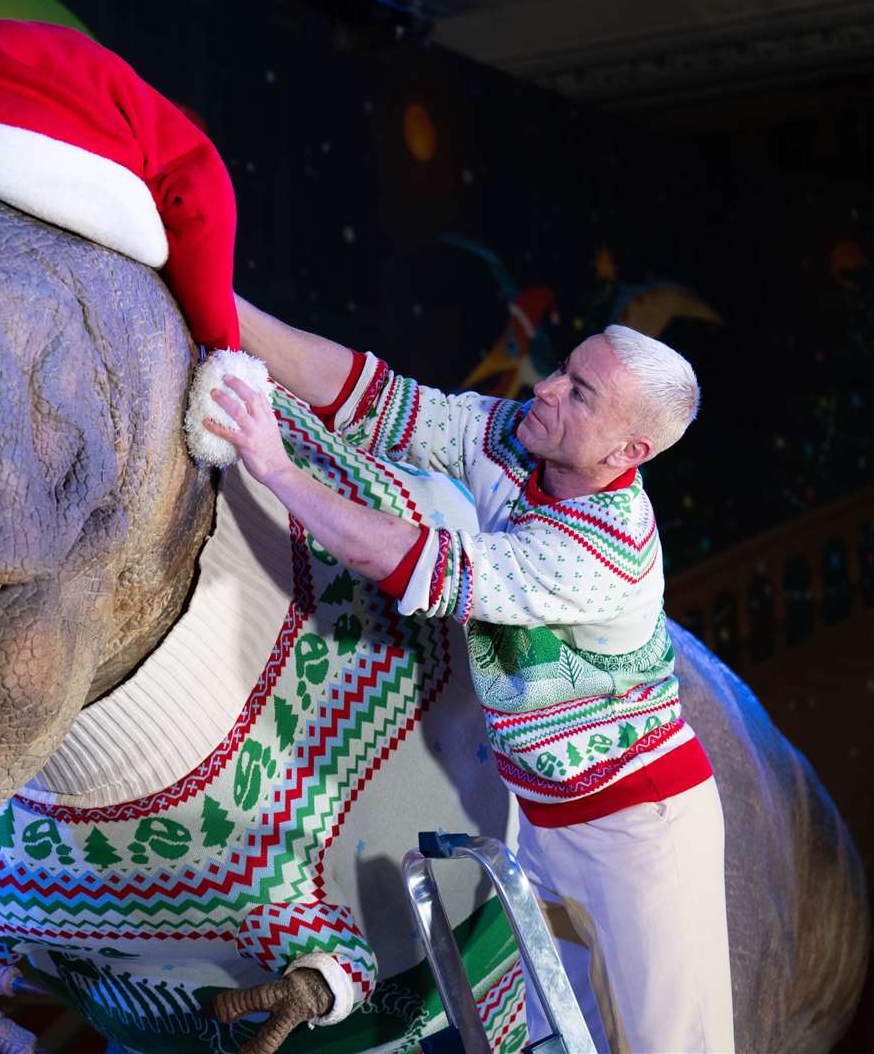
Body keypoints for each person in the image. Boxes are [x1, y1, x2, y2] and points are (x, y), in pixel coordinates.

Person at [203, 295, 734, 1053]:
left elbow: (405, 558)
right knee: (549, 1039)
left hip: (639, 836)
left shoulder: (605, 552)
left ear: (629, 452)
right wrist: (219, 297)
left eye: (580, 395)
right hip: (543, 822)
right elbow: (375, 399)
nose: (545, 389)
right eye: (564, 371)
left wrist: (275, 468)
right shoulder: (520, 439)